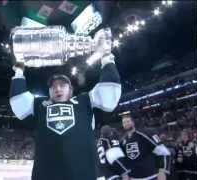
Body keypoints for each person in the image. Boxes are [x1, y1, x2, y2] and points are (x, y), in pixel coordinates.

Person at [9, 29, 122, 180]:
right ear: (49, 92)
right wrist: (19, 71)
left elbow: (109, 95)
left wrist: (106, 56)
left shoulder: (85, 101)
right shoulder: (39, 104)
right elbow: (18, 101)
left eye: (62, 85)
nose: (58, 88)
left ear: (71, 90)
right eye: (53, 86)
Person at [121, 115, 171, 180]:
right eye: (124, 122)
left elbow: (162, 152)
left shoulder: (145, 134)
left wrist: (162, 172)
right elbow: (124, 160)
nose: (126, 124)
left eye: (128, 121)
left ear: (133, 122)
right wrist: (126, 175)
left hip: (151, 176)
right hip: (134, 177)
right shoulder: (122, 141)